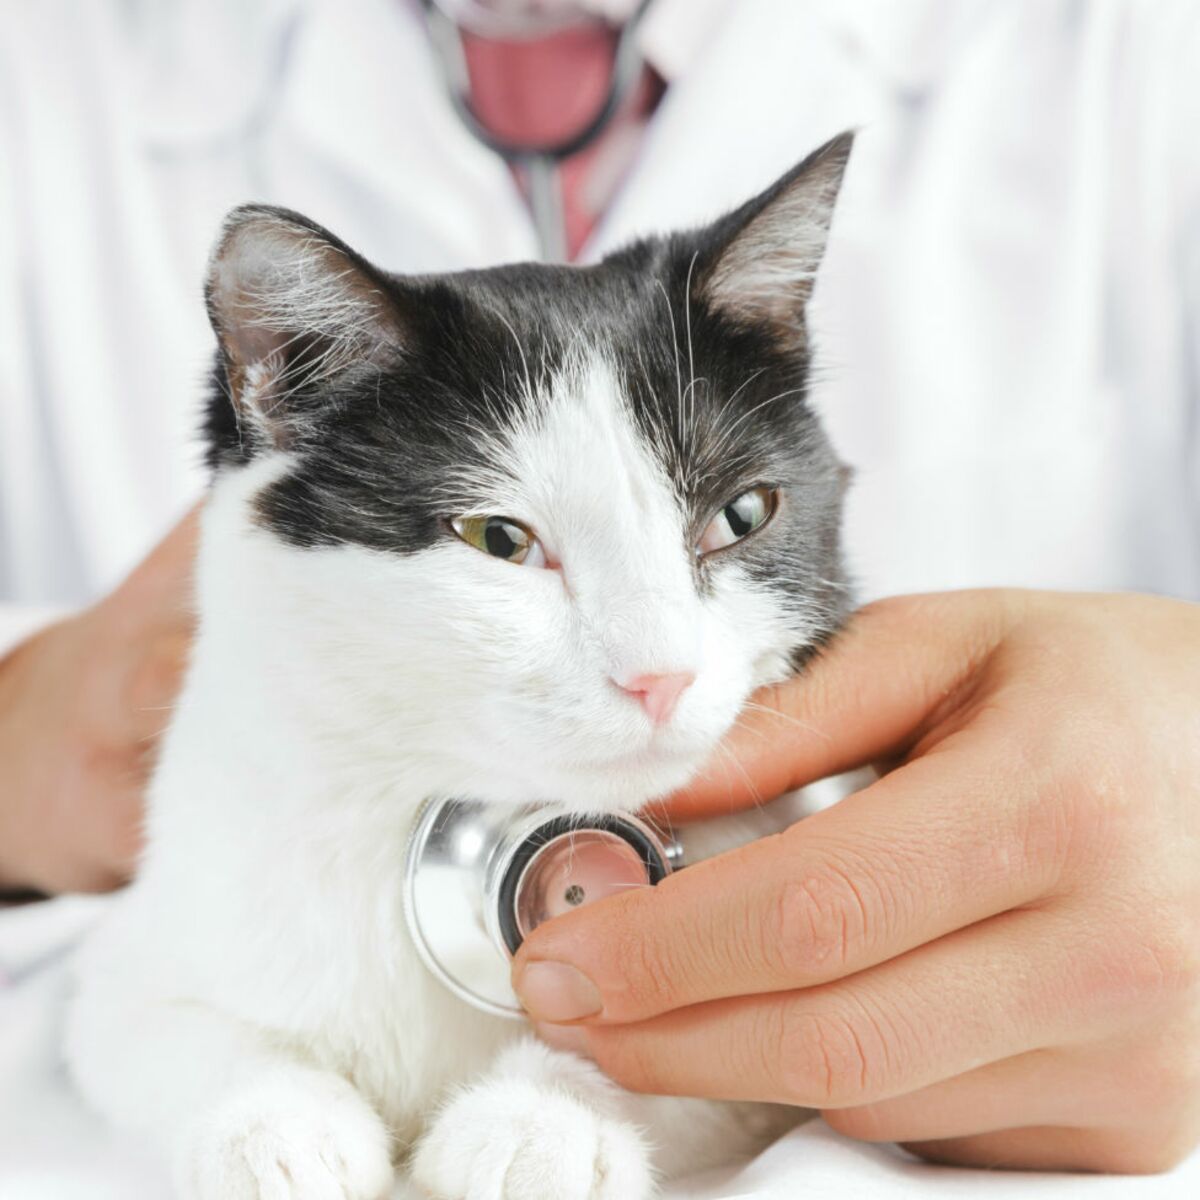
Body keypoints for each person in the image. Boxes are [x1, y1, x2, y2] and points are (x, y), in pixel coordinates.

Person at [1, 0, 1198, 1177]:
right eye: (501, 540)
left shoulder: (1134, 51)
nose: (659, 665)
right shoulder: (47, 71)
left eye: (733, 524)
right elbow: (131, 1012)